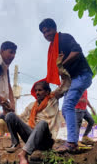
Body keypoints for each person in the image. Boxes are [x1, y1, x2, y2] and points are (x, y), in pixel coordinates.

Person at [39, 18, 93, 152]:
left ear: (54, 29)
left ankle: (72, 143)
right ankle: (72, 141)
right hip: (73, 78)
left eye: (48, 30)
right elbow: (64, 75)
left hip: (82, 74)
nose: (46, 34)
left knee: (68, 105)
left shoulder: (64, 38)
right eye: (44, 33)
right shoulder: (53, 48)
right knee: (65, 107)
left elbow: (77, 51)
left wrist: (63, 64)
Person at [5, 80, 60, 164]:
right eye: (36, 90)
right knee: (10, 116)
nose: (37, 93)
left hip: (46, 141)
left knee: (42, 123)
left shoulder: (53, 100)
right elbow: (20, 118)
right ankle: (15, 143)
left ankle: (24, 154)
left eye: (40, 90)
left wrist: (61, 70)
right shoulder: (31, 106)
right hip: (32, 138)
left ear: (47, 92)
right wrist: (9, 110)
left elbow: (65, 86)